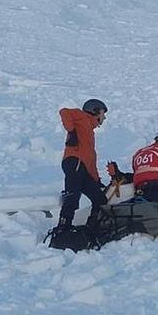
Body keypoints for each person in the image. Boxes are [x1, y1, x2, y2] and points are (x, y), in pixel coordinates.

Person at [53, 98, 109, 234]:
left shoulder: (90, 133)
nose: (104, 117)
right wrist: (71, 131)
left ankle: (93, 225)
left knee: (100, 199)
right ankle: (63, 227)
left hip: (82, 167)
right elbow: (64, 112)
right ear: (94, 110)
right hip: (74, 161)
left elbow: (91, 163)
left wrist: (97, 182)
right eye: (102, 113)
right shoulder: (82, 117)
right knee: (73, 195)